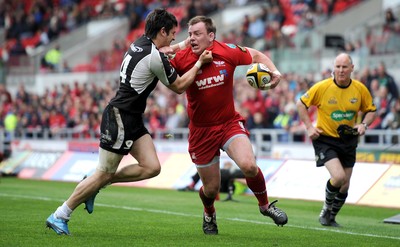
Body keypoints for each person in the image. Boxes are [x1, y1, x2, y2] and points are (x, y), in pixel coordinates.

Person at [45, 8, 212, 235]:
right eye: (172, 32)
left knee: (152, 167)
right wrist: (199, 63)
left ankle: (97, 183)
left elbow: (166, 50)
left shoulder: (141, 43)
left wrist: (184, 45)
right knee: (103, 172)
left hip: (131, 117)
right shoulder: (153, 56)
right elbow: (180, 86)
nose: (175, 37)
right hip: (120, 117)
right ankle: (60, 214)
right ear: (162, 31)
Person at [169, 16, 288, 235]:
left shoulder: (227, 51)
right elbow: (164, 65)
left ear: (211, 35)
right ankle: (209, 213)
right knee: (211, 189)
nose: (192, 38)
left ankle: (265, 206)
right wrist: (181, 49)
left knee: (249, 166)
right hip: (201, 131)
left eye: (197, 33)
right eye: (189, 34)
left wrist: (275, 72)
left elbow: (257, 55)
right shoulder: (181, 58)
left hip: (228, 123)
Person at [296, 53, 377, 227]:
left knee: (345, 186)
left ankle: (331, 216)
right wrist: (310, 127)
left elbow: (371, 110)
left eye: (344, 67)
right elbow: (300, 104)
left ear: (352, 68)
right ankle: (325, 209)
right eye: (338, 67)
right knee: (338, 177)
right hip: (325, 139)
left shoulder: (360, 89)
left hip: (348, 140)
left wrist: (364, 124)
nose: (340, 70)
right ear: (333, 68)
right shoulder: (322, 87)